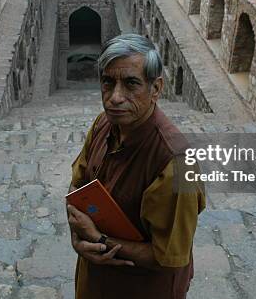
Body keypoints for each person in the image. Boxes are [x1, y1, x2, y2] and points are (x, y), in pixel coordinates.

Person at [66, 34, 206, 298]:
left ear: (156, 88)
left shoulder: (178, 162)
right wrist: (77, 236)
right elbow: (77, 185)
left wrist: (98, 241)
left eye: (131, 84)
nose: (115, 98)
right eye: (108, 82)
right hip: (96, 281)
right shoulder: (103, 125)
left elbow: (171, 255)